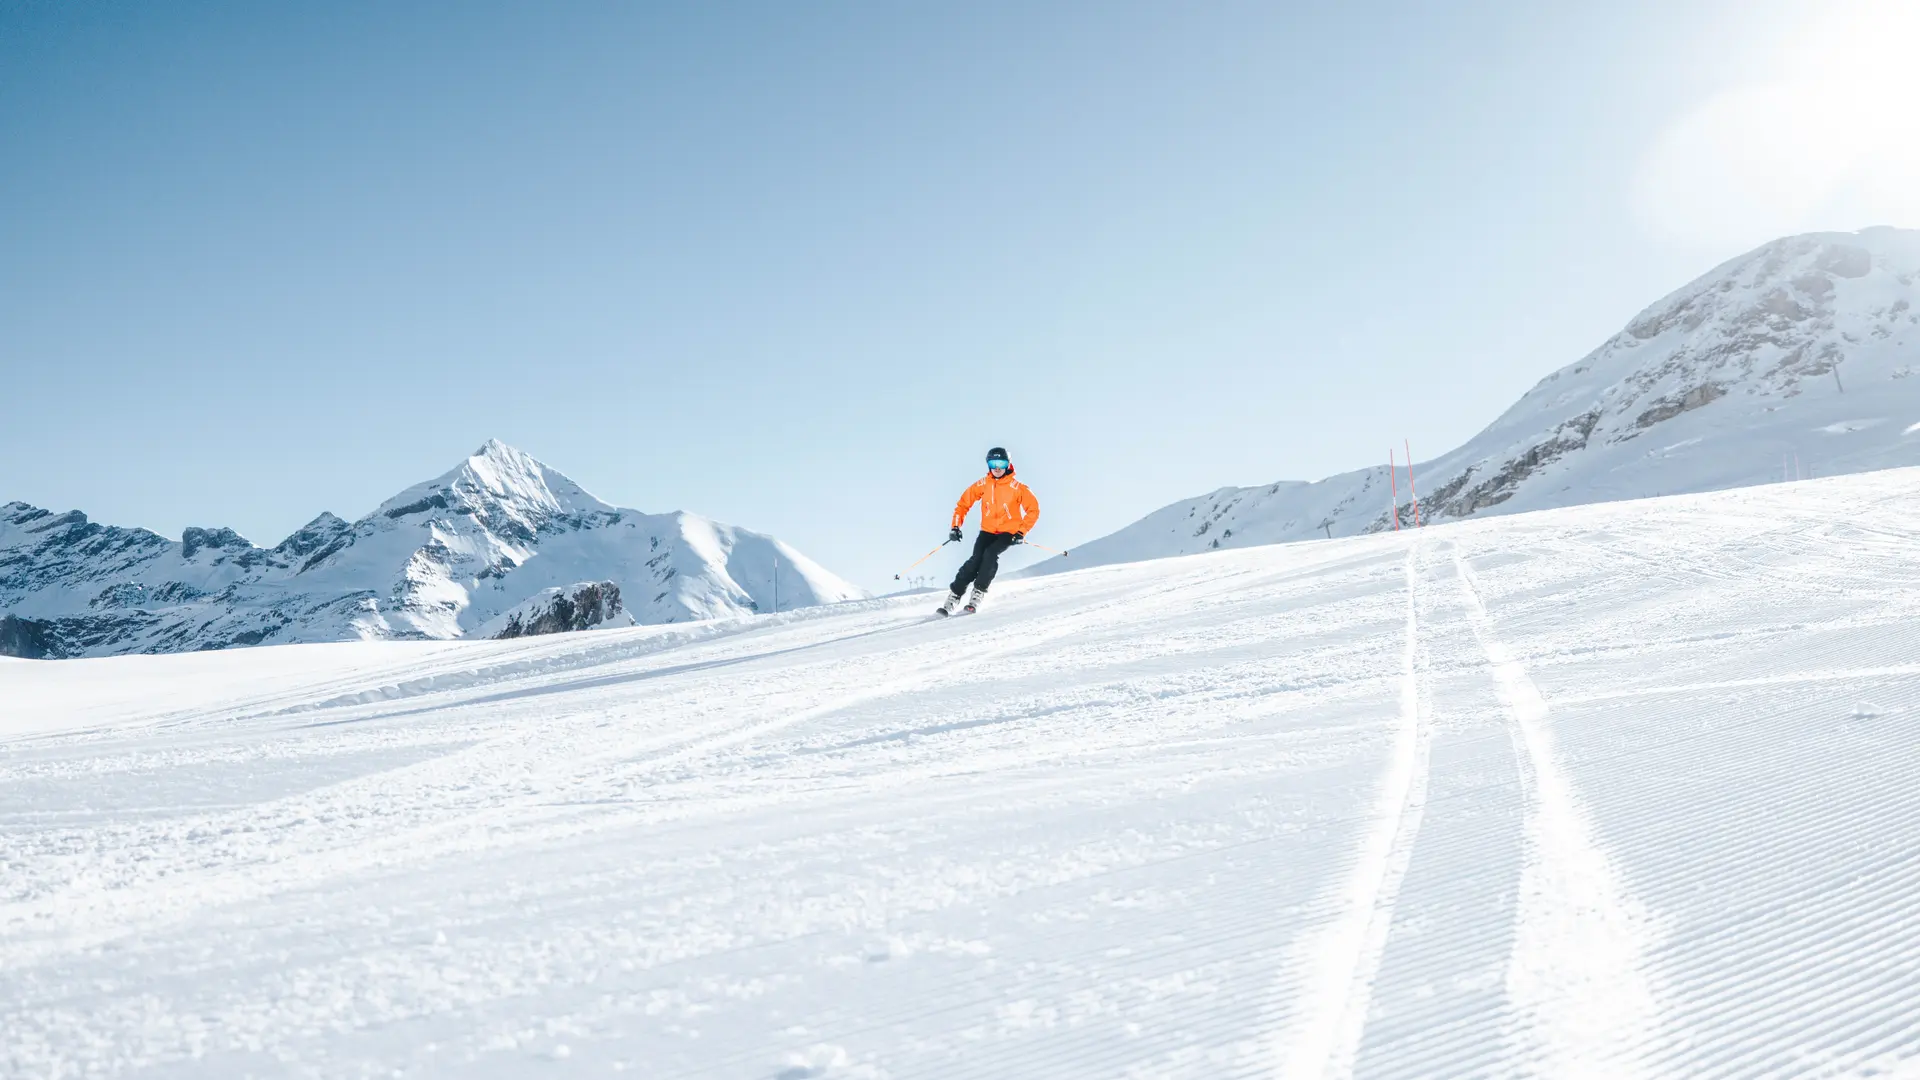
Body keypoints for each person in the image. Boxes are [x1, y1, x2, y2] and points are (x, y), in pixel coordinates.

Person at [939, 446, 1040, 615]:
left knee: (991, 555)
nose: (997, 468)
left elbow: (1033, 510)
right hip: (987, 531)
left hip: (1008, 533)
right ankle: (954, 596)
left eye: (1001, 463)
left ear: (1008, 464)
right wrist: (955, 526)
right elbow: (963, 504)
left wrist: (1021, 532)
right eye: (993, 463)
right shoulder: (983, 484)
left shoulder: (1018, 488)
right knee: (975, 559)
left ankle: (978, 593)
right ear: (988, 465)